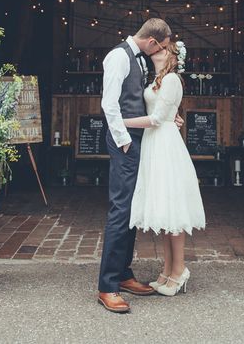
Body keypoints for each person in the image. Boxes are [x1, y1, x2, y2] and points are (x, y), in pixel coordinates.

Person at [97, 18, 176, 314]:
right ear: (153, 42)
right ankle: (107, 286)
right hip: (125, 140)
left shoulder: (139, 57)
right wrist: (123, 140)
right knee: (120, 209)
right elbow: (109, 103)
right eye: (162, 47)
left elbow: (141, 100)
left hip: (139, 138)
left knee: (132, 206)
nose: (162, 52)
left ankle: (123, 273)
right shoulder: (118, 56)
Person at [124, 40, 206, 297]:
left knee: (173, 208)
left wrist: (121, 121)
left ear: (171, 54)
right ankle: (168, 268)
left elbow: (159, 118)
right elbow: (166, 112)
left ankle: (179, 269)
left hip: (165, 143)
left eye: (161, 49)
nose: (155, 52)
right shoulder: (157, 78)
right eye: (155, 48)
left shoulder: (171, 80)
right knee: (163, 209)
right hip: (154, 143)